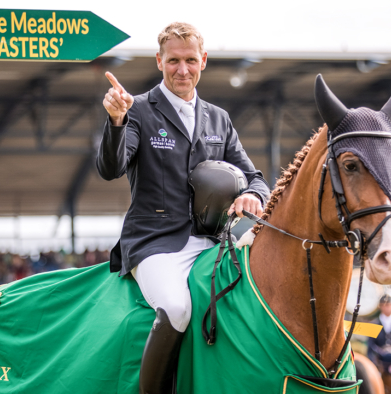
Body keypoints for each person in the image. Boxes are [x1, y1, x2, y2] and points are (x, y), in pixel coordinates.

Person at [97, 22, 270, 394]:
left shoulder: (218, 118)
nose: (182, 69)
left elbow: (255, 177)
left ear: (203, 61)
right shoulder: (138, 110)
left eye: (190, 60)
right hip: (155, 242)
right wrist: (116, 121)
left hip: (213, 243)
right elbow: (110, 169)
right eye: (173, 60)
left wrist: (254, 196)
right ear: (160, 61)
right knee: (177, 309)